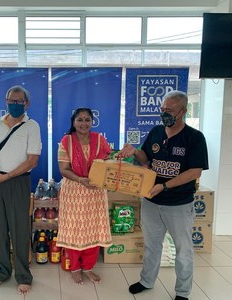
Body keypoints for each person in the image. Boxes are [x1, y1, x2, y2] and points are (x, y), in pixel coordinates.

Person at [119, 90, 209, 300]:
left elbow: (195, 172)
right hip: (151, 201)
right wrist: (134, 151)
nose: (164, 114)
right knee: (151, 246)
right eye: (162, 110)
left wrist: (165, 186)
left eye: (169, 110)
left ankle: (182, 292)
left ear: (183, 111)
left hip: (178, 204)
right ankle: (147, 281)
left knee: (183, 251)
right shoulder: (156, 131)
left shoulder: (194, 138)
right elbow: (146, 159)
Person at [0, 85, 41, 295]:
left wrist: (6, 177)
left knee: (19, 230)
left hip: (18, 182)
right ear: (5, 101)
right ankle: (2, 271)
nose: (14, 104)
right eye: (11, 100)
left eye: (19, 101)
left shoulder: (32, 126)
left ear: (27, 103)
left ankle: (23, 275)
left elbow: (33, 160)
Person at [56, 108, 112, 285]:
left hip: (95, 191)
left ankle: (88, 267)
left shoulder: (99, 140)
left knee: (92, 229)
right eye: (80, 120)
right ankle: (74, 267)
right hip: (74, 191)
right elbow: (63, 170)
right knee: (74, 230)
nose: (83, 123)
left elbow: (109, 161)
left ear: (92, 121)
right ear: (73, 122)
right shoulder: (67, 141)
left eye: (87, 120)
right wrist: (81, 179)